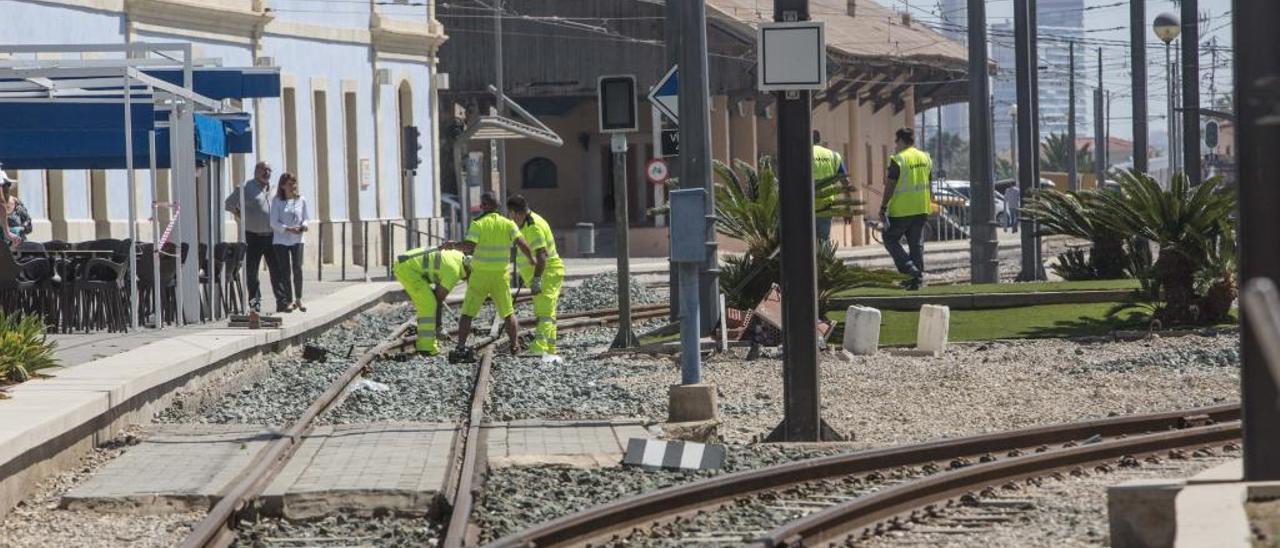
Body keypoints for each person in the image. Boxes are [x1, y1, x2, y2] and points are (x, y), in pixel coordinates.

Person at [444, 192, 537, 361]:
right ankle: (514, 347)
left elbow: (469, 246)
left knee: (467, 313)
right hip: (500, 276)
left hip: (479, 276)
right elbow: (522, 243)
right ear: (498, 206)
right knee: (508, 313)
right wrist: (532, 259)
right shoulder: (508, 224)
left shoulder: (478, 224)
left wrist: (453, 245)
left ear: (484, 206)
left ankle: (460, 347)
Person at [506, 194, 564, 358]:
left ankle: (539, 348)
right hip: (545, 273)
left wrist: (537, 279)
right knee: (548, 313)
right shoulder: (528, 223)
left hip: (547, 273)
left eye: (511, 215)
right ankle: (550, 349)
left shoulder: (533, 226)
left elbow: (542, 255)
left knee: (544, 313)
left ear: (515, 213)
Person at [225, 162, 286, 313]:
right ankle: (254, 304)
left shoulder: (273, 190)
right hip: (252, 236)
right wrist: (240, 215)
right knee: (252, 272)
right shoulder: (246, 188)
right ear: (256, 171)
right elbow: (229, 204)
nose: (267, 173)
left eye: (269, 170)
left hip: (272, 236)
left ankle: (282, 301)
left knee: (277, 270)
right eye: (264, 170)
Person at [879, 128, 933, 291]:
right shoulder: (925, 158)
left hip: (902, 210)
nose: (895, 145)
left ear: (901, 141)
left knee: (889, 238)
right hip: (922, 208)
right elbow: (930, 182)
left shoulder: (899, 160)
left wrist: (883, 206)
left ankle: (909, 268)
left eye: (896, 141)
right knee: (916, 244)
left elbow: (890, 185)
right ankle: (915, 280)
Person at [393, 246, 470, 356]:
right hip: (407, 269)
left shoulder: (459, 256)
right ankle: (426, 348)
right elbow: (438, 298)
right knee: (428, 305)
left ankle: (430, 341)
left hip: (406, 262)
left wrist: (438, 326)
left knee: (430, 301)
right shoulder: (454, 272)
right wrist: (439, 326)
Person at [270, 172, 309, 313]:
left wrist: (304, 226)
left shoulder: (301, 200)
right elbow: (273, 222)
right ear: (282, 186)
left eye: (294, 183)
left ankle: (299, 298)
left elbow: (305, 217)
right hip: (281, 240)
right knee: (285, 270)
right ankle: (289, 300)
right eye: (289, 184)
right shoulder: (277, 201)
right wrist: (287, 229)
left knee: (297, 268)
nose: (293, 186)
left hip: (297, 239)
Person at [812, 131, 848, 245]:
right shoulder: (833, 156)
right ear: (819, 140)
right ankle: (824, 261)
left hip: (805, 205)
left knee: (805, 240)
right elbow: (845, 182)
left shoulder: (799, 153)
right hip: (826, 203)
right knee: (823, 239)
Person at [1, 171, 32, 251]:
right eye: (3, 185)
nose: (5, 188)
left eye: (8, 184)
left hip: (19, 246)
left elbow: (29, 225)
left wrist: (20, 229)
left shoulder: (17, 204)